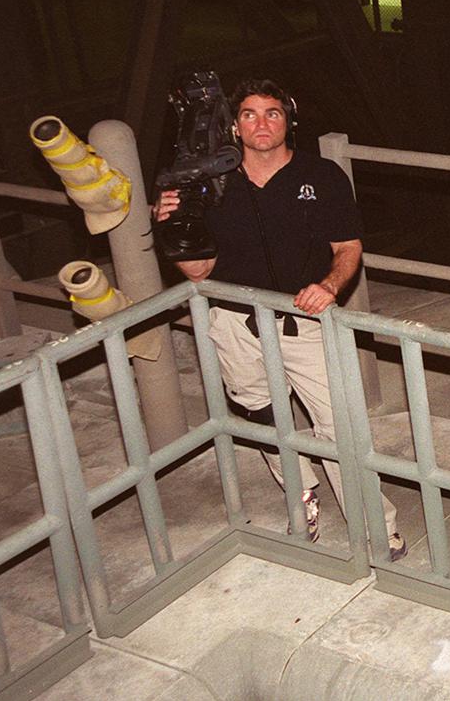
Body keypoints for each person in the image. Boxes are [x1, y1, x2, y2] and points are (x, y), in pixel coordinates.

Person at [155, 78, 405, 560]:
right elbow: (199, 273)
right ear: (233, 124)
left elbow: (348, 247)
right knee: (261, 415)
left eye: (272, 113)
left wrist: (330, 286)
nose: (261, 123)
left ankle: (376, 524)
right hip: (235, 322)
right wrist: (174, 229)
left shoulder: (323, 175)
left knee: (341, 424)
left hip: (304, 321)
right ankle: (301, 490)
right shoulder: (208, 185)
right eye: (249, 114)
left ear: (288, 118)